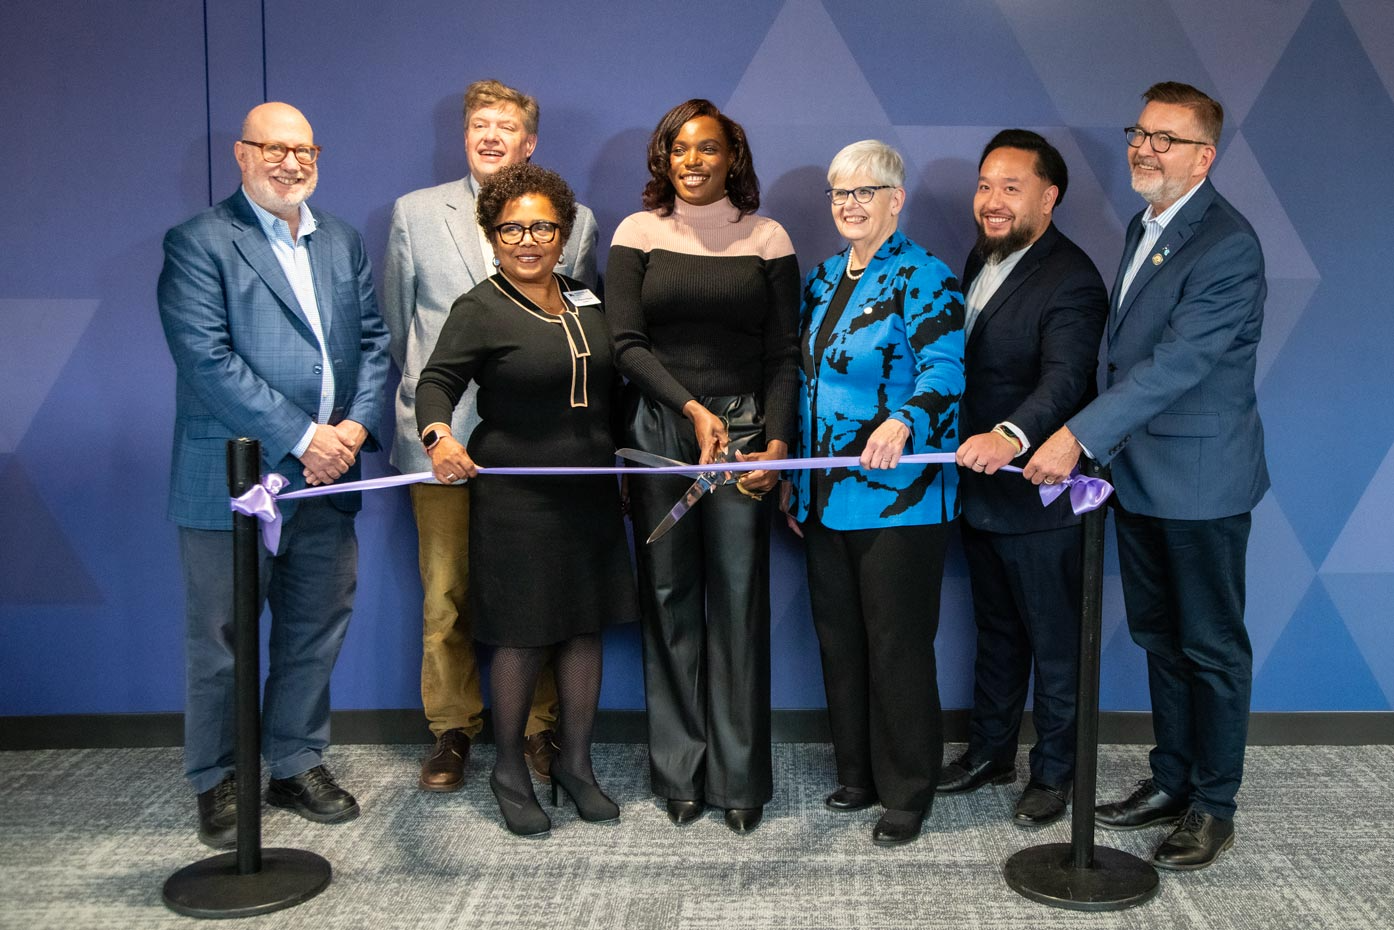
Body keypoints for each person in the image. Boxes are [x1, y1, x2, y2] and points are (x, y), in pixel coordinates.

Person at [1025, 82, 1269, 870]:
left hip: (1202, 482)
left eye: (1165, 138)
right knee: (1161, 638)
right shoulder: (1145, 225)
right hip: (1140, 476)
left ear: (1205, 155)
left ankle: (1213, 804)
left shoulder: (1227, 243)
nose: (1143, 147)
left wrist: (1077, 436)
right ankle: (1170, 780)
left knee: (1211, 647)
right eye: (1139, 131)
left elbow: (1178, 366)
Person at [158, 102, 390, 848]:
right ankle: (219, 779)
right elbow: (208, 360)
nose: (292, 163)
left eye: (305, 150)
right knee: (223, 638)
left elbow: (375, 343)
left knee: (313, 629)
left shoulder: (341, 240)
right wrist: (304, 436)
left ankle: (293, 763)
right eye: (274, 149)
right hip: (233, 481)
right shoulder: (199, 243)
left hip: (331, 478)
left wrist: (351, 429)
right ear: (241, 154)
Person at [383, 80, 599, 793]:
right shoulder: (415, 214)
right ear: (465, 133)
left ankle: (538, 731)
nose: (491, 135)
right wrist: (434, 424)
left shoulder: (581, 223)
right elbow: (397, 327)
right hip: (441, 445)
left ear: (528, 142)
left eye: (507, 125)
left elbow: (579, 336)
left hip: (536, 452)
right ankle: (452, 729)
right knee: (447, 595)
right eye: (480, 123)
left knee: (537, 594)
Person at [414, 163, 636, 837]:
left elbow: (615, 387)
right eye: (512, 228)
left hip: (590, 496)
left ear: (564, 233)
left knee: (581, 628)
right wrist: (437, 436)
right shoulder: (478, 307)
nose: (529, 239)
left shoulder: (586, 300)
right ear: (493, 236)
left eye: (543, 225)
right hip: (516, 499)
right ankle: (509, 768)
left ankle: (574, 765)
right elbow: (436, 383)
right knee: (520, 635)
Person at [606, 99, 799, 834]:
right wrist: (689, 408)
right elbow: (625, 343)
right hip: (661, 427)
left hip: (746, 431)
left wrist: (777, 443)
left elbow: (786, 353)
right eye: (680, 149)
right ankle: (680, 772)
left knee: (740, 600)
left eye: (708, 149)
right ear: (665, 158)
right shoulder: (638, 233)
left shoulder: (769, 236)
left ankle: (740, 778)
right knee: (668, 596)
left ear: (732, 158)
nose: (693, 161)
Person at [786, 140, 964, 847]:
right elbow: (805, 385)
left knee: (897, 645)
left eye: (866, 192)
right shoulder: (825, 277)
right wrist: (796, 487)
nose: (850, 205)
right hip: (825, 497)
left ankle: (907, 790)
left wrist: (904, 419)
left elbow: (947, 369)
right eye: (840, 193)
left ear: (897, 199)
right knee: (840, 640)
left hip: (902, 497)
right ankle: (856, 774)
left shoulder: (926, 276)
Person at [939, 130, 1107, 827]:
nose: (992, 201)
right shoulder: (983, 255)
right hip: (980, 494)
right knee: (998, 632)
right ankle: (990, 752)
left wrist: (1009, 436)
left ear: (1049, 196)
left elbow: (1068, 380)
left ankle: (1056, 774)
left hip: (1041, 495)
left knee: (1054, 641)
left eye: (1011, 187)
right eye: (985, 186)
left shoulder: (1072, 277)